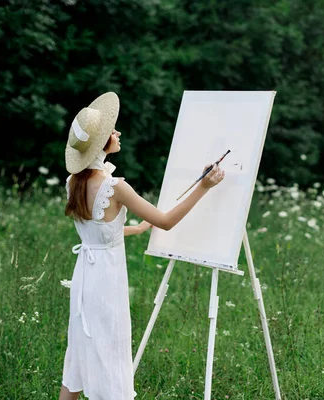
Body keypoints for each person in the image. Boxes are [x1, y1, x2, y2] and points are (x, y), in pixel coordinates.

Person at [59, 92, 225, 400]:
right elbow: (166, 221)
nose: (118, 132)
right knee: (109, 350)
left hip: (85, 278)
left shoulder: (73, 182)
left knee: (80, 353)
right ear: (101, 145)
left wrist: (134, 228)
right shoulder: (114, 186)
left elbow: (98, 233)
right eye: (112, 131)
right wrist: (204, 185)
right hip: (106, 280)